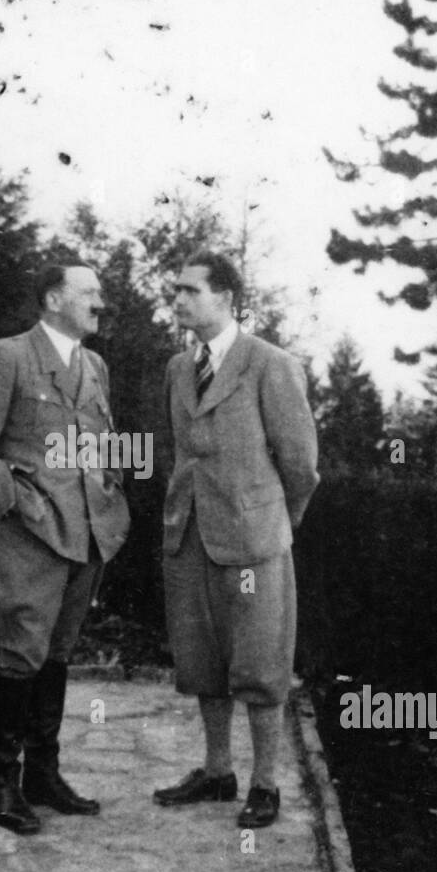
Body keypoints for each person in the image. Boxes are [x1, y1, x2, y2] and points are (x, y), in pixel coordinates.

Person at [0, 263, 130, 835]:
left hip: (86, 533)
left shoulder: (94, 365)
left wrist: (111, 495)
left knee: (57, 652)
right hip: (30, 534)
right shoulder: (8, 356)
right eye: (90, 292)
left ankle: (42, 776)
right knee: (22, 652)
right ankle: (2, 784)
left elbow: (104, 443)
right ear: (53, 299)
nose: (101, 301)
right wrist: (13, 505)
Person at [154, 251, 319, 829]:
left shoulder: (268, 364)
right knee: (202, 657)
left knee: (261, 661)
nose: (177, 299)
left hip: (254, 540)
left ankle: (265, 783)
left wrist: (277, 521)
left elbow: (300, 463)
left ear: (224, 298)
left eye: (189, 290)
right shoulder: (179, 367)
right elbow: (185, 452)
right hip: (190, 533)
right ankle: (217, 771)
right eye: (175, 290)